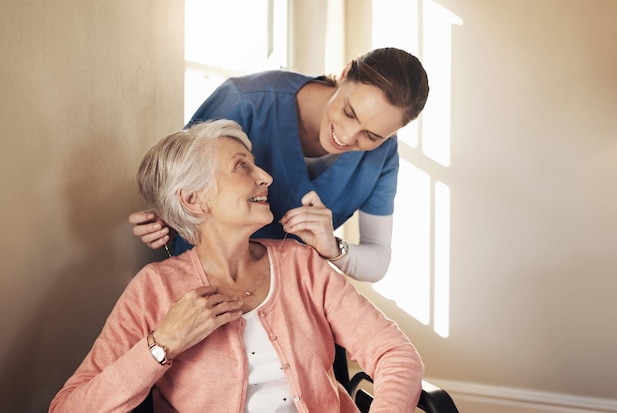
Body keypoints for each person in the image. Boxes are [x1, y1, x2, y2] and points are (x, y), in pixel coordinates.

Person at [49, 120, 423, 413]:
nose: (266, 177)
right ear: (194, 200)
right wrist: (161, 345)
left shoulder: (301, 264)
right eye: (242, 166)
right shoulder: (154, 289)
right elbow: (69, 408)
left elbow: (395, 354)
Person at [129, 47, 429, 282]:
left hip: (291, 296)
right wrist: (170, 217)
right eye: (350, 113)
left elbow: (378, 258)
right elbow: (180, 184)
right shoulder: (245, 102)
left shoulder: (383, 155)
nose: (348, 137)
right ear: (346, 72)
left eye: (371, 135)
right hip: (207, 282)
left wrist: (333, 248)